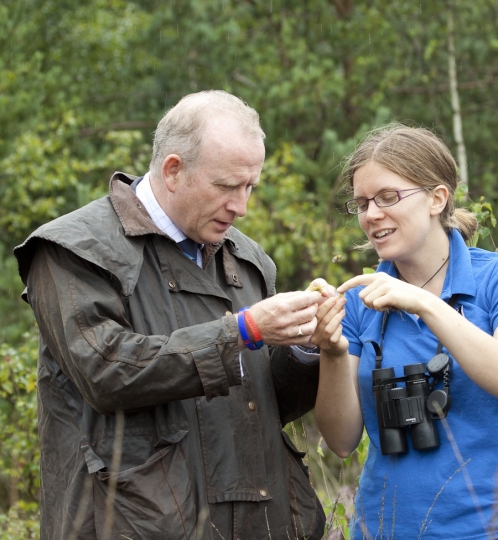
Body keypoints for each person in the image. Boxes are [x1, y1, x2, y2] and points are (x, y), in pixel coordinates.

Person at [14, 90, 328, 540]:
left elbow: (264, 405)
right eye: (226, 186)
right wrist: (243, 330)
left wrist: (304, 348)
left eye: (250, 186)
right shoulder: (71, 251)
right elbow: (104, 371)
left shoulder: (250, 260)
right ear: (173, 170)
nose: (241, 206)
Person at [309, 125, 498, 539]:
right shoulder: (360, 300)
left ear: (437, 198)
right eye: (362, 203)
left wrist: (422, 302)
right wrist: (332, 351)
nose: (372, 215)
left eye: (388, 198)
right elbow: (342, 441)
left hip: (494, 528)